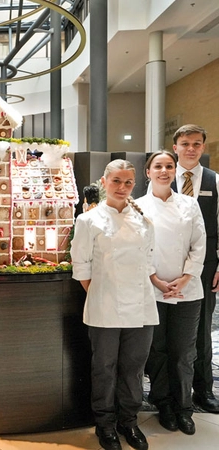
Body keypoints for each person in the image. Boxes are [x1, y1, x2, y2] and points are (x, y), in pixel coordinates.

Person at [71, 159, 158, 450]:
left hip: (142, 305)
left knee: (134, 367)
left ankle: (129, 422)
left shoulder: (143, 220)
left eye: (128, 182)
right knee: (104, 367)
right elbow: (81, 265)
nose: (122, 187)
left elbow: (148, 261)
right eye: (117, 181)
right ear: (104, 182)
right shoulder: (88, 220)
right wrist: (98, 292)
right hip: (104, 305)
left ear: (135, 184)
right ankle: (105, 424)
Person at [137, 150, 205, 435]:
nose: (164, 171)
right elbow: (138, 249)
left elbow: (198, 244)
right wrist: (156, 280)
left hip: (187, 290)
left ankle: (184, 407)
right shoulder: (137, 206)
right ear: (148, 172)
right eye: (158, 166)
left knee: (184, 352)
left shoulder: (189, 204)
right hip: (152, 290)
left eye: (169, 166)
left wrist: (186, 277)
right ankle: (163, 403)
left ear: (174, 171)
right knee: (159, 351)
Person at [171, 124, 219, 414]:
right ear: (175, 146)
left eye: (197, 144)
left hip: (206, 264)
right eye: (185, 143)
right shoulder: (161, 176)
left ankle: (203, 390)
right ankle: (167, 388)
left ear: (203, 147)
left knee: (201, 329)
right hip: (168, 261)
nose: (191, 148)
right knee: (166, 327)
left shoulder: (215, 180)